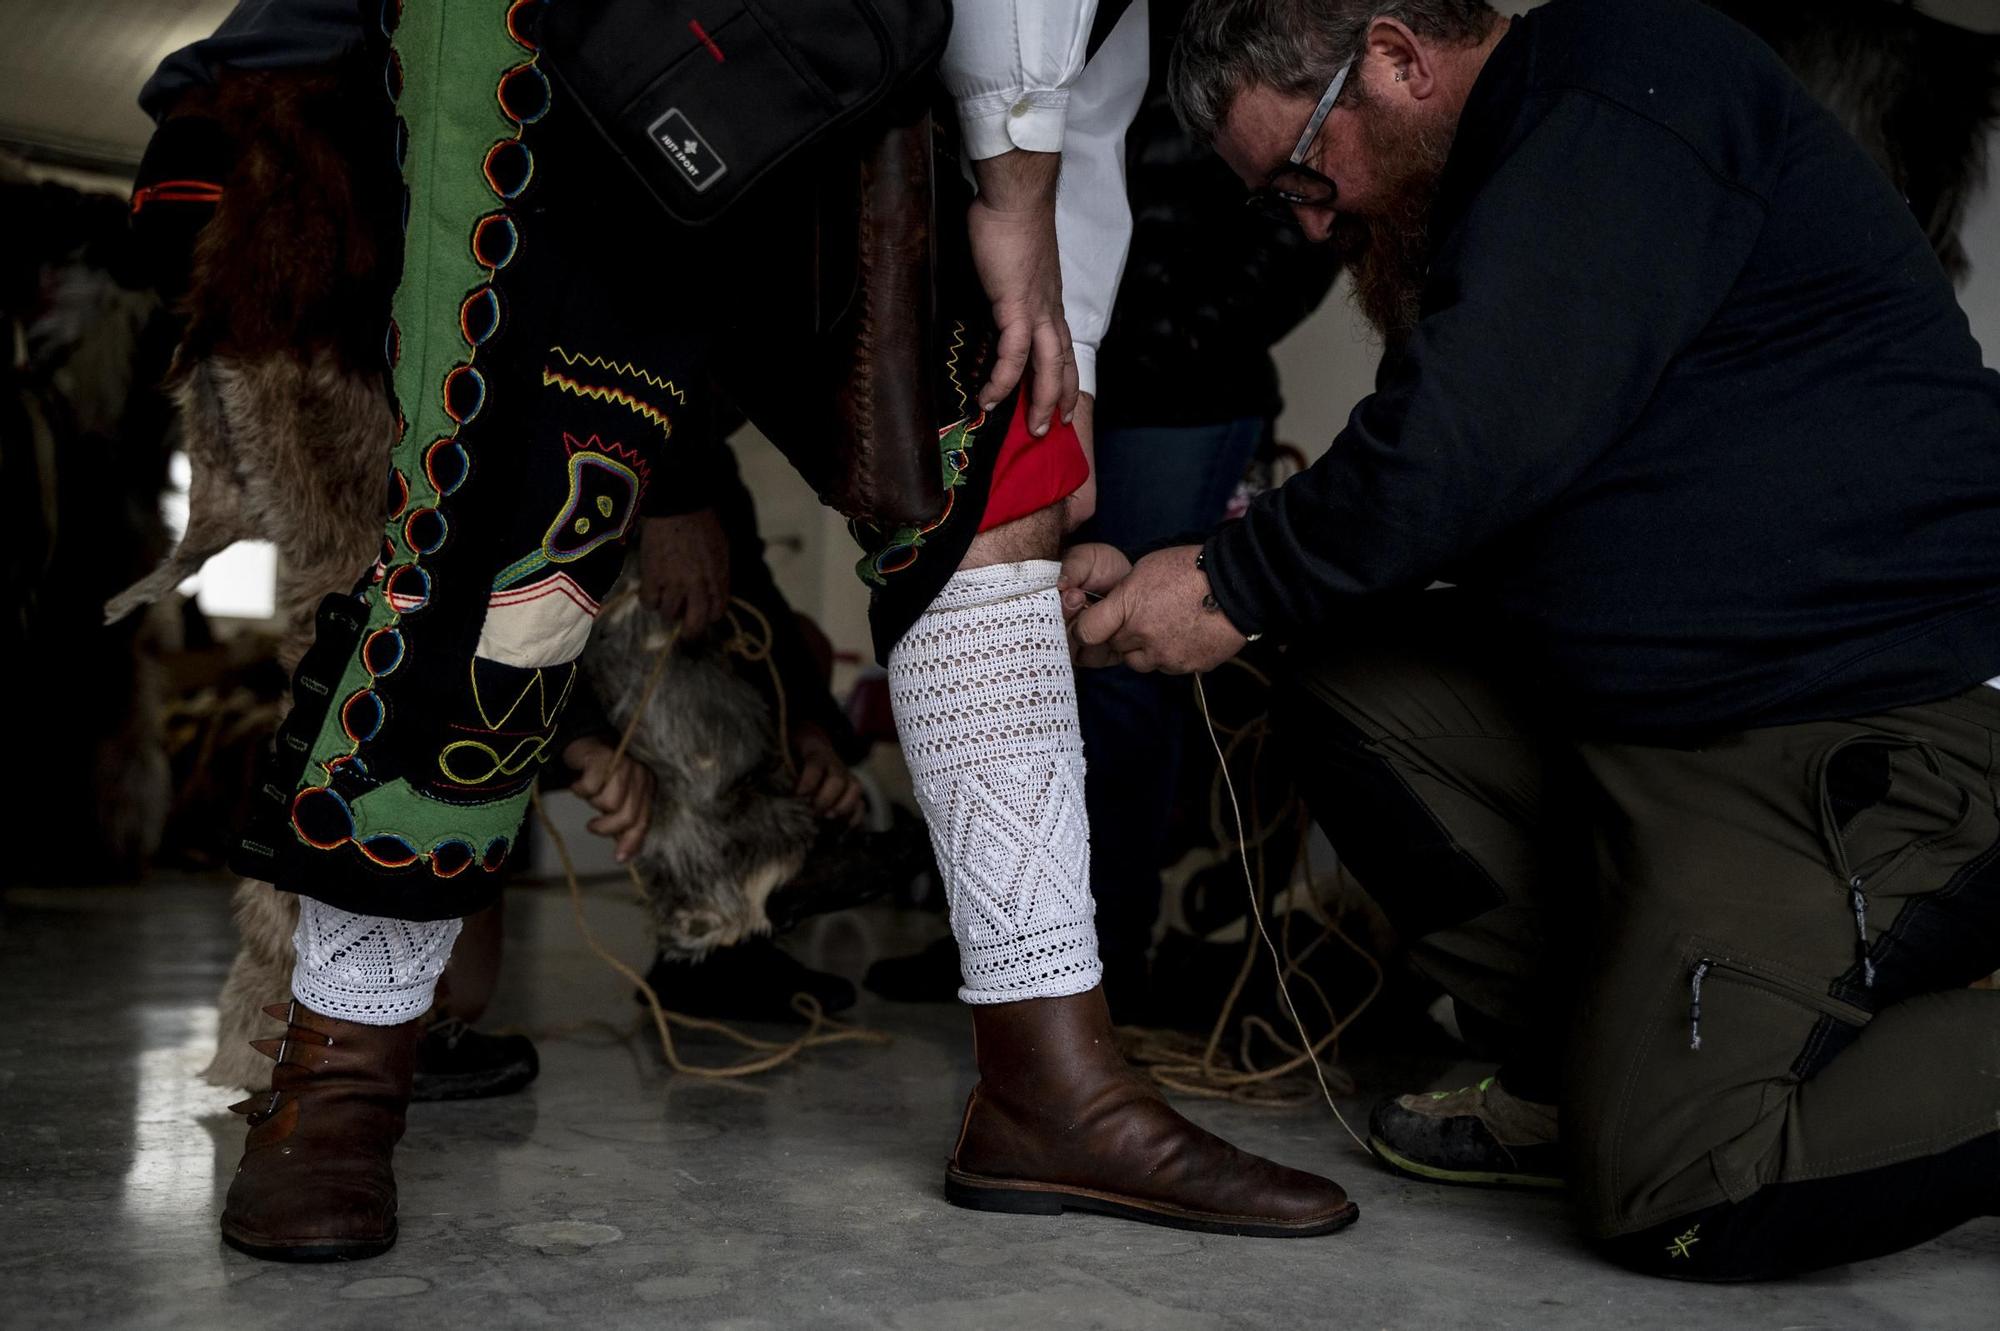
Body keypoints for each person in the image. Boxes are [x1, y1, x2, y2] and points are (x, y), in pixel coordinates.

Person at [170, 0, 1353, 1264]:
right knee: (502, 522)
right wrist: (1011, 187)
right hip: (552, 45)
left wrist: (1070, 362)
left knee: (995, 474)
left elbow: (1079, 84)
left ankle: (1048, 1081)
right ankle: (338, 1079)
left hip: (865, 59)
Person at [1068, 0, 2000, 1280]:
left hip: (1856, 722)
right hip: (1664, 719)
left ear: (1395, 59)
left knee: (1680, 1189)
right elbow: (1459, 480)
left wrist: (1228, 577)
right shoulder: (1511, 180)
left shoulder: (1628, 81)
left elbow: (1461, 445)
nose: (1306, 219)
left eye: (1302, 169)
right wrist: (1187, 583)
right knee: (1347, 680)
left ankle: (1696, 1082)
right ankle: (1596, 1062)